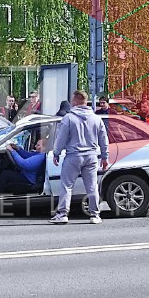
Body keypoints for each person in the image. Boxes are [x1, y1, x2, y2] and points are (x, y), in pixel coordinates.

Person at [50, 90, 109, 225]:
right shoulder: (96, 118)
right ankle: (95, 215)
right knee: (92, 186)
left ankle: (63, 214)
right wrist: (105, 157)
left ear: (76, 101)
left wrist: (56, 153)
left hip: (73, 156)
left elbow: (61, 138)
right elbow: (103, 139)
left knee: (66, 185)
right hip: (91, 156)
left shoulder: (69, 118)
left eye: (72, 100)